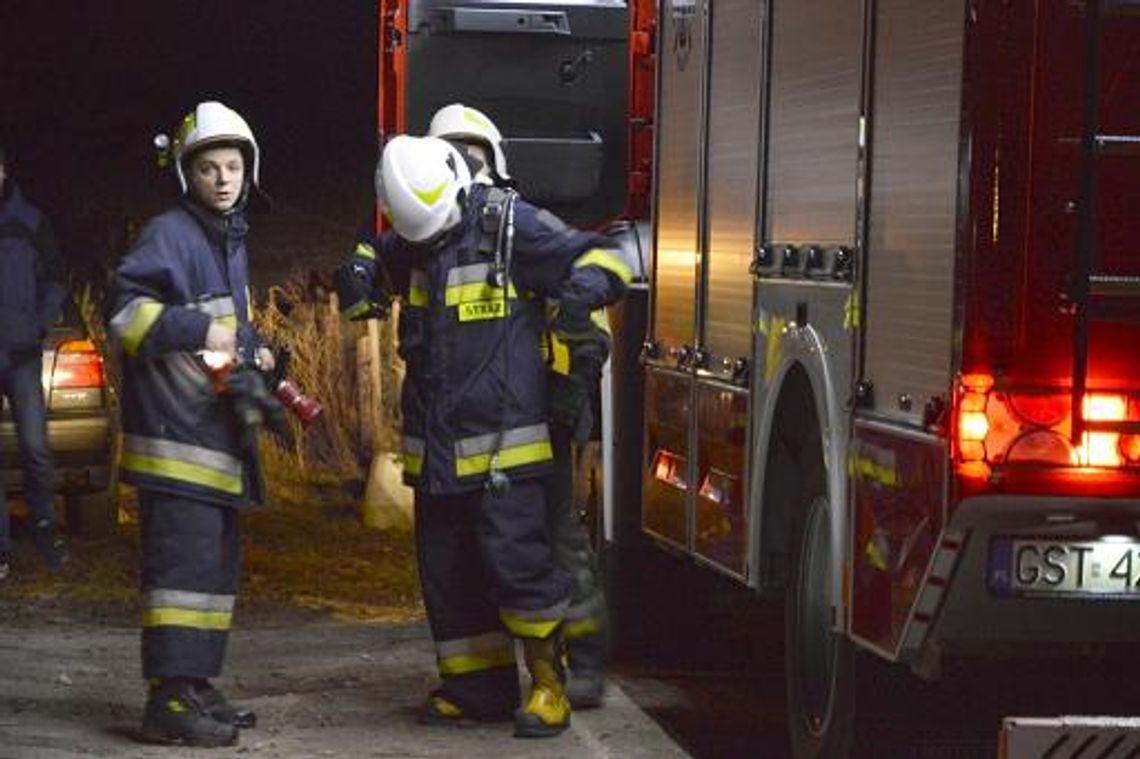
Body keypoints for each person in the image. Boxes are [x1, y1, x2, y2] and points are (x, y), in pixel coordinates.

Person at [335, 134, 630, 737]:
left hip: (504, 450)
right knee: (450, 577)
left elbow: (604, 257)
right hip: (436, 452)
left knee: (519, 568)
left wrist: (580, 297)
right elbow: (378, 249)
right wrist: (361, 266)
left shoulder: (506, 225)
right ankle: (477, 689)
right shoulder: (415, 237)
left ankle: (549, 686)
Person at [427, 103, 613, 708]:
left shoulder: (522, 228)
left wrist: (574, 387)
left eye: (474, 154)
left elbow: (593, 300)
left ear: (495, 163)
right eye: (455, 154)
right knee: (494, 553)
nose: (467, 166)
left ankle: (580, 666)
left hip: (549, 415)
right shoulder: (440, 238)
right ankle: (498, 679)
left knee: (554, 541)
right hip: (505, 423)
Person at [108, 101, 277, 747]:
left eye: (234, 166)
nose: (224, 179)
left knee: (210, 571)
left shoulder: (226, 237)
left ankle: (196, 682)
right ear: (188, 175)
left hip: (213, 438)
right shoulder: (170, 234)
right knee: (181, 574)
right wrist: (201, 328)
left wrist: (258, 348)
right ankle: (168, 700)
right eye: (209, 168)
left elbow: (227, 327)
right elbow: (127, 315)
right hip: (178, 440)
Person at [0, 144, 69, 580]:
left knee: (36, 448)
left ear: (4, 171)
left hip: (23, 355)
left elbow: (57, 278)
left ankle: (44, 526)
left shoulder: (31, 222)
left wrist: (39, 324)